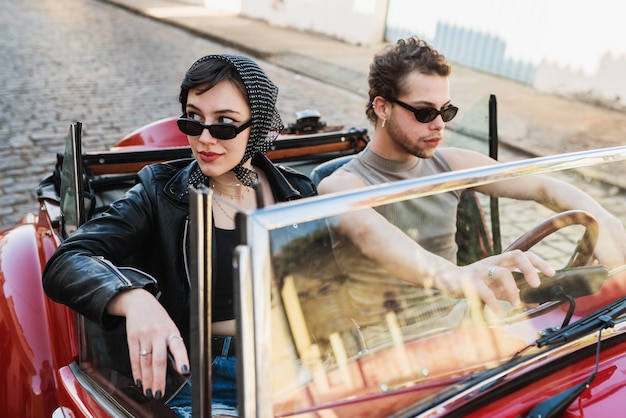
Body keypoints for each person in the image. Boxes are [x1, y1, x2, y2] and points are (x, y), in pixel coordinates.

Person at [42, 54, 316, 417]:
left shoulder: (296, 192)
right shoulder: (159, 191)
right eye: (193, 118)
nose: (204, 139)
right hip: (205, 378)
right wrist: (135, 298)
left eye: (224, 124)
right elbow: (66, 261)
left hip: (295, 364)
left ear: (258, 124)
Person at [317, 36, 626, 323]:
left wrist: (601, 215)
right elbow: (368, 235)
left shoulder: (451, 164)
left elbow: (541, 185)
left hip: (464, 318)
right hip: (389, 340)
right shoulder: (341, 184)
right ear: (383, 107)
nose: (439, 125)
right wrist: (458, 276)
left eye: (446, 111)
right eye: (424, 113)